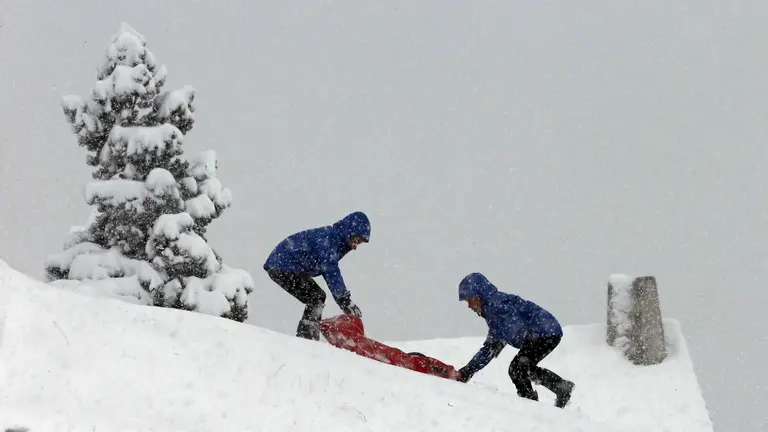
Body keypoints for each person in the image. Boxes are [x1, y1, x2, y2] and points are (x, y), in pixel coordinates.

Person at [456, 272, 575, 408]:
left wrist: (468, 370)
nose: (469, 306)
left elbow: (501, 336)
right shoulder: (493, 306)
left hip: (544, 333)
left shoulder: (497, 307)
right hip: (547, 331)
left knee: (517, 369)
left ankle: (532, 406)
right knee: (521, 368)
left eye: (469, 300)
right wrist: (469, 369)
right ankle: (561, 387)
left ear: (479, 295)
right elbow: (497, 340)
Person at [263, 211, 370, 340]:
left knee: (316, 296)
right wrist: (344, 300)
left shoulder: (334, 239)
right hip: (283, 265)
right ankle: (307, 337)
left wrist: (343, 300)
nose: (355, 247)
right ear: (349, 231)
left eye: (359, 243)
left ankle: (308, 333)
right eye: (356, 240)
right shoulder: (329, 239)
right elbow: (330, 270)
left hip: (283, 265)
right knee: (316, 297)